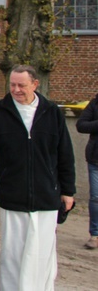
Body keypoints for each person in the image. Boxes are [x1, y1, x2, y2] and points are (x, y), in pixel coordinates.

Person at [0, 65, 75, 290]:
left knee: (42, 255)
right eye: (12, 85)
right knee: (13, 255)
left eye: (21, 85)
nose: (16, 89)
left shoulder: (51, 112)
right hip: (12, 196)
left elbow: (65, 153)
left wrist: (68, 191)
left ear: (35, 84)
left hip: (46, 197)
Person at [77, 92, 98, 249]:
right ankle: (95, 234)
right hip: (95, 159)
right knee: (96, 198)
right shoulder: (95, 103)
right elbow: (81, 125)